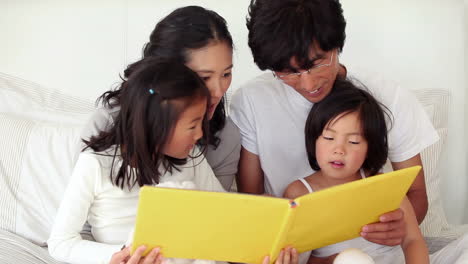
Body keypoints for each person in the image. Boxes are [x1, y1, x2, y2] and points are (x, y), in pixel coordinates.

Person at [230, 0, 438, 263]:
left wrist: (397, 229)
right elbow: (254, 205)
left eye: (317, 63)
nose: (308, 83)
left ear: (337, 45)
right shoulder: (251, 100)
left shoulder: (389, 97)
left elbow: (416, 196)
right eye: (287, 72)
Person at [48, 60, 226, 264]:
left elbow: (224, 217)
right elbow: (60, 242)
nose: (200, 134)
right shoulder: (95, 164)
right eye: (193, 126)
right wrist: (119, 255)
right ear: (157, 126)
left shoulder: (191, 159)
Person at [81, 6, 240, 192]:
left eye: (226, 74)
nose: (219, 91)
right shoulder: (108, 123)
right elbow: (83, 211)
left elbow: (218, 211)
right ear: (166, 73)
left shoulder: (225, 137)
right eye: (204, 77)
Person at [283, 80, 430, 264]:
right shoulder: (298, 193)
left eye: (353, 142)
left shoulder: (381, 184)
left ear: (369, 147)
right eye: (329, 138)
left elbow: (413, 240)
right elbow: (299, 255)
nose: (339, 150)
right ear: (314, 139)